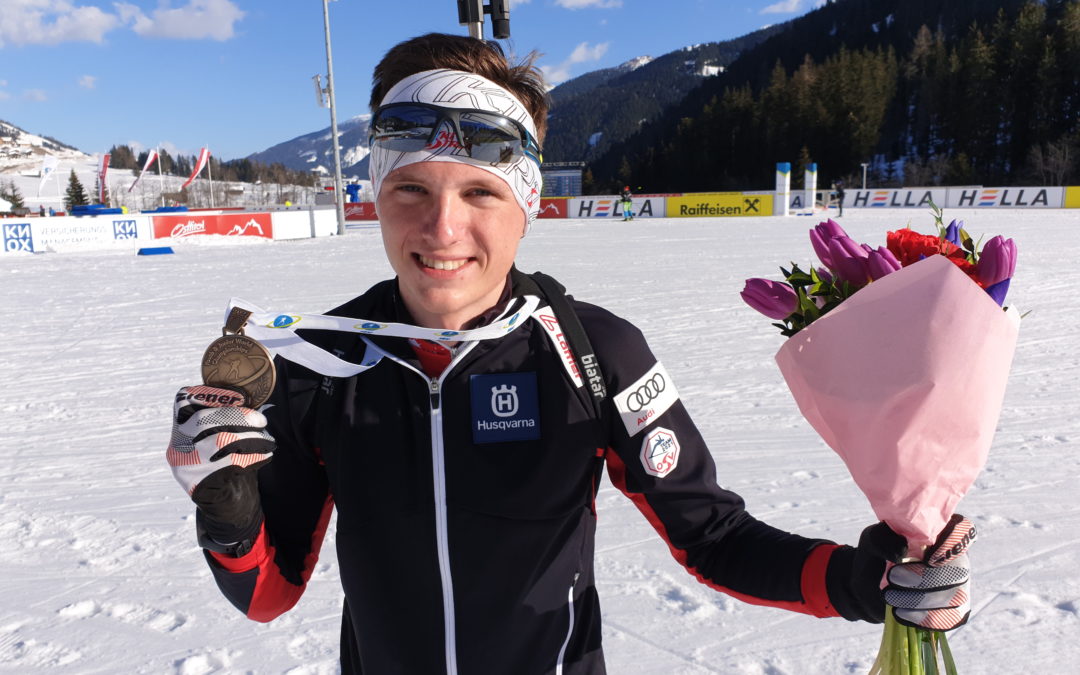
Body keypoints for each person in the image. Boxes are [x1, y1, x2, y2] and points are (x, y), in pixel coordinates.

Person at [166, 33, 974, 674]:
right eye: (411, 188)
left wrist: (867, 582)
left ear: (525, 207)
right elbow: (269, 594)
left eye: (479, 192)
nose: (442, 229)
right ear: (377, 197)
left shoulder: (593, 350)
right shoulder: (322, 362)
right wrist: (228, 514)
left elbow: (715, 536)